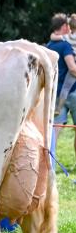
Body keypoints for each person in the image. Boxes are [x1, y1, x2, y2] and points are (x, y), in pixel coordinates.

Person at [46, 13, 76, 157]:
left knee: (53, 133)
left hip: (56, 95)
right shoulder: (65, 46)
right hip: (73, 93)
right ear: (64, 26)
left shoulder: (49, 46)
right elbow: (72, 68)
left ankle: (49, 167)